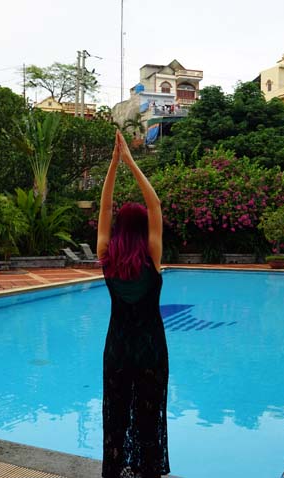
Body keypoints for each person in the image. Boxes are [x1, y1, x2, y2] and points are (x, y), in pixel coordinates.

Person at [97, 130, 170, 478]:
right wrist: (130, 162)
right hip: (152, 351)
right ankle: (148, 471)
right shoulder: (152, 258)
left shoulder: (106, 257)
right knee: (148, 416)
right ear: (143, 229)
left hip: (117, 351)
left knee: (116, 416)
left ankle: (114, 472)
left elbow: (105, 207)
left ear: (119, 230)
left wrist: (114, 164)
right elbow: (155, 205)